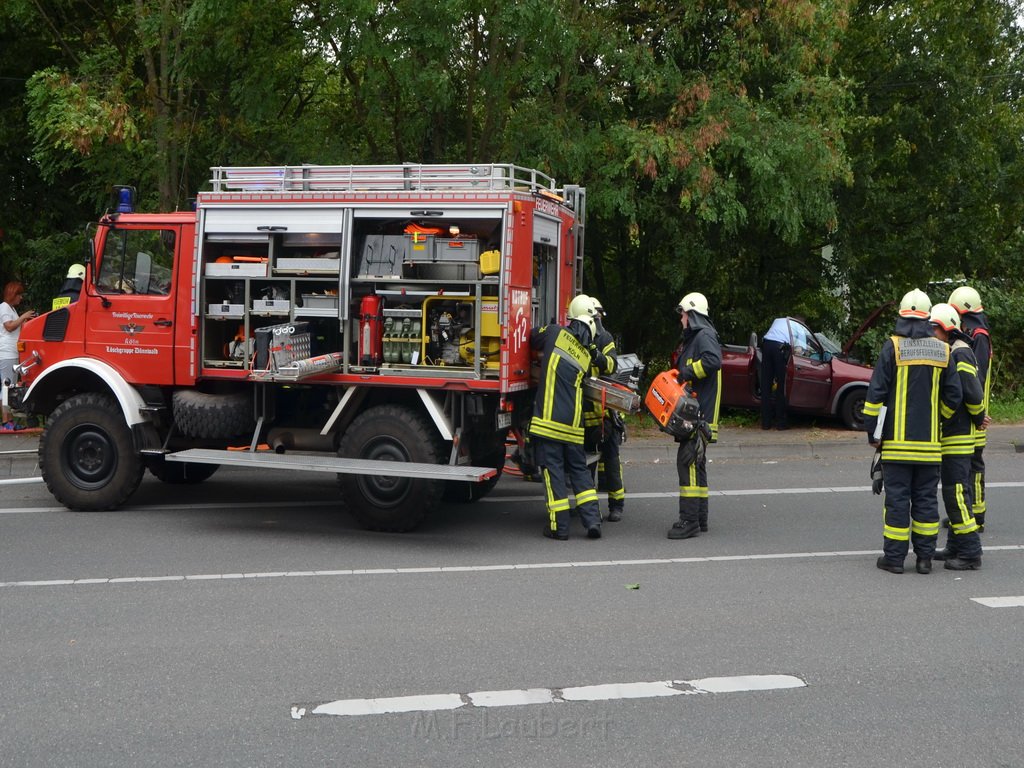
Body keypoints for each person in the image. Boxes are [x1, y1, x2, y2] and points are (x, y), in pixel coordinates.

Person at [864, 289, 961, 575]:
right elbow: (953, 397)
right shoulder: (943, 350)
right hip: (930, 447)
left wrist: (874, 434)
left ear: (902, 316)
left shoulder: (892, 347)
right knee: (926, 502)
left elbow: (875, 396)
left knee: (896, 502)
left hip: (896, 446)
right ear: (928, 318)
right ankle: (924, 560)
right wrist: (937, 421)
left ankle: (894, 560)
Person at [529, 307, 609, 540]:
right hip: (574, 428)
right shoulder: (584, 357)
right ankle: (593, 521)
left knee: (553, 471)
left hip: (549, 423)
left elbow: (533, 337)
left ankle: (559, 527)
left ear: (573, 323)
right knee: (580, 472)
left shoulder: (555, 332)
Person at [929, 303, 987, 570]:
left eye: (934, 328)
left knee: (956, 494)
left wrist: (978, 416)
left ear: (945, 328)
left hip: (958, 435)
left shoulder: (960, 353)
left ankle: (970, 552)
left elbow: (971, 393)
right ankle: (955, 545)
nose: (931, 334)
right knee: (954, 493)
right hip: (955, 434)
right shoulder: (954, 349)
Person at [667, 292, 722, 539]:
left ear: (693, 315)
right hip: (696, 414)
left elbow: (713, 361)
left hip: (698, 417)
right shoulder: (697, 338)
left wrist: (686, 372)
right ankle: (700, 519)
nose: (681, 319)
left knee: (687, 462)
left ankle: (689, 521)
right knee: (696, 464)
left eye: (683, 314)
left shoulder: (705, 336)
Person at [948, 286, 993, 532]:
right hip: (973, 409)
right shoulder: (973, 333)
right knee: (965, 464)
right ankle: (964, 508)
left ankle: (976, 513)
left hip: (977, 412)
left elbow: (976, 375)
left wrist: (977, 411)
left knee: (974, 463)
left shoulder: (979, 336)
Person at [0, 281, 38, 431]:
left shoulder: (11, 309)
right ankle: (6, 423)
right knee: (7, 387)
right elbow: (9, 327)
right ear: (12, 294)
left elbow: (15, 326)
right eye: (19, 294)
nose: (21, 298)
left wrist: (25, 321)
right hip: (6, 353)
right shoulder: (4, 307)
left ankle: (7, 421)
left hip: (11, 352)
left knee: (7, 387)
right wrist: (23, 317)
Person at [760, 317, 791, 430]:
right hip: (779, 348)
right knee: (781, 385)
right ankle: (781, 423)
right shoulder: (796, 326)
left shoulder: (778, 320)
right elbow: (799, 349)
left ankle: (766, 423)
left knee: (766, 385)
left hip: (767, 345)